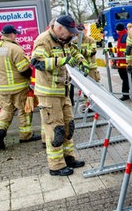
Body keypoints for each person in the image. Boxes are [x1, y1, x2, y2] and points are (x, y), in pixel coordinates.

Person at [31, 15, 89, 176]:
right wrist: (62, 61)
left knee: (68, 126)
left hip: (63, 91)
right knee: (55, 129)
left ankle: (68, 157)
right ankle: (56, 166)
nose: (71, 35)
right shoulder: (44, 41)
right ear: (59, 28)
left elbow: (74, 52)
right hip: (49, 94)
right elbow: (37, 62)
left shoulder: (64, 40)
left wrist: (81, 60)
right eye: (69, 32)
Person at [0, 24, 40, 149]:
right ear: (11, 34)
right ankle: (25, 135)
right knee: (25, 110)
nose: (16, 36)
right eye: (15, 34)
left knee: (6, 110)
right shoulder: (15, 49)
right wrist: (32, 75)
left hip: (2, 87)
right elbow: (24, 70)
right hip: (18, 87)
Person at [114, 23, 132, 100]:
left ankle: (129, 94)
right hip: (122, 62)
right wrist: (110, 49)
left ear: (118, 30)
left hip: (126, 62)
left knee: (128, 78)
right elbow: (119, 49)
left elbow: (129, 49)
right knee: (126, 78)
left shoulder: (125, 36)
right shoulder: (121, 36)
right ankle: (128, 93)